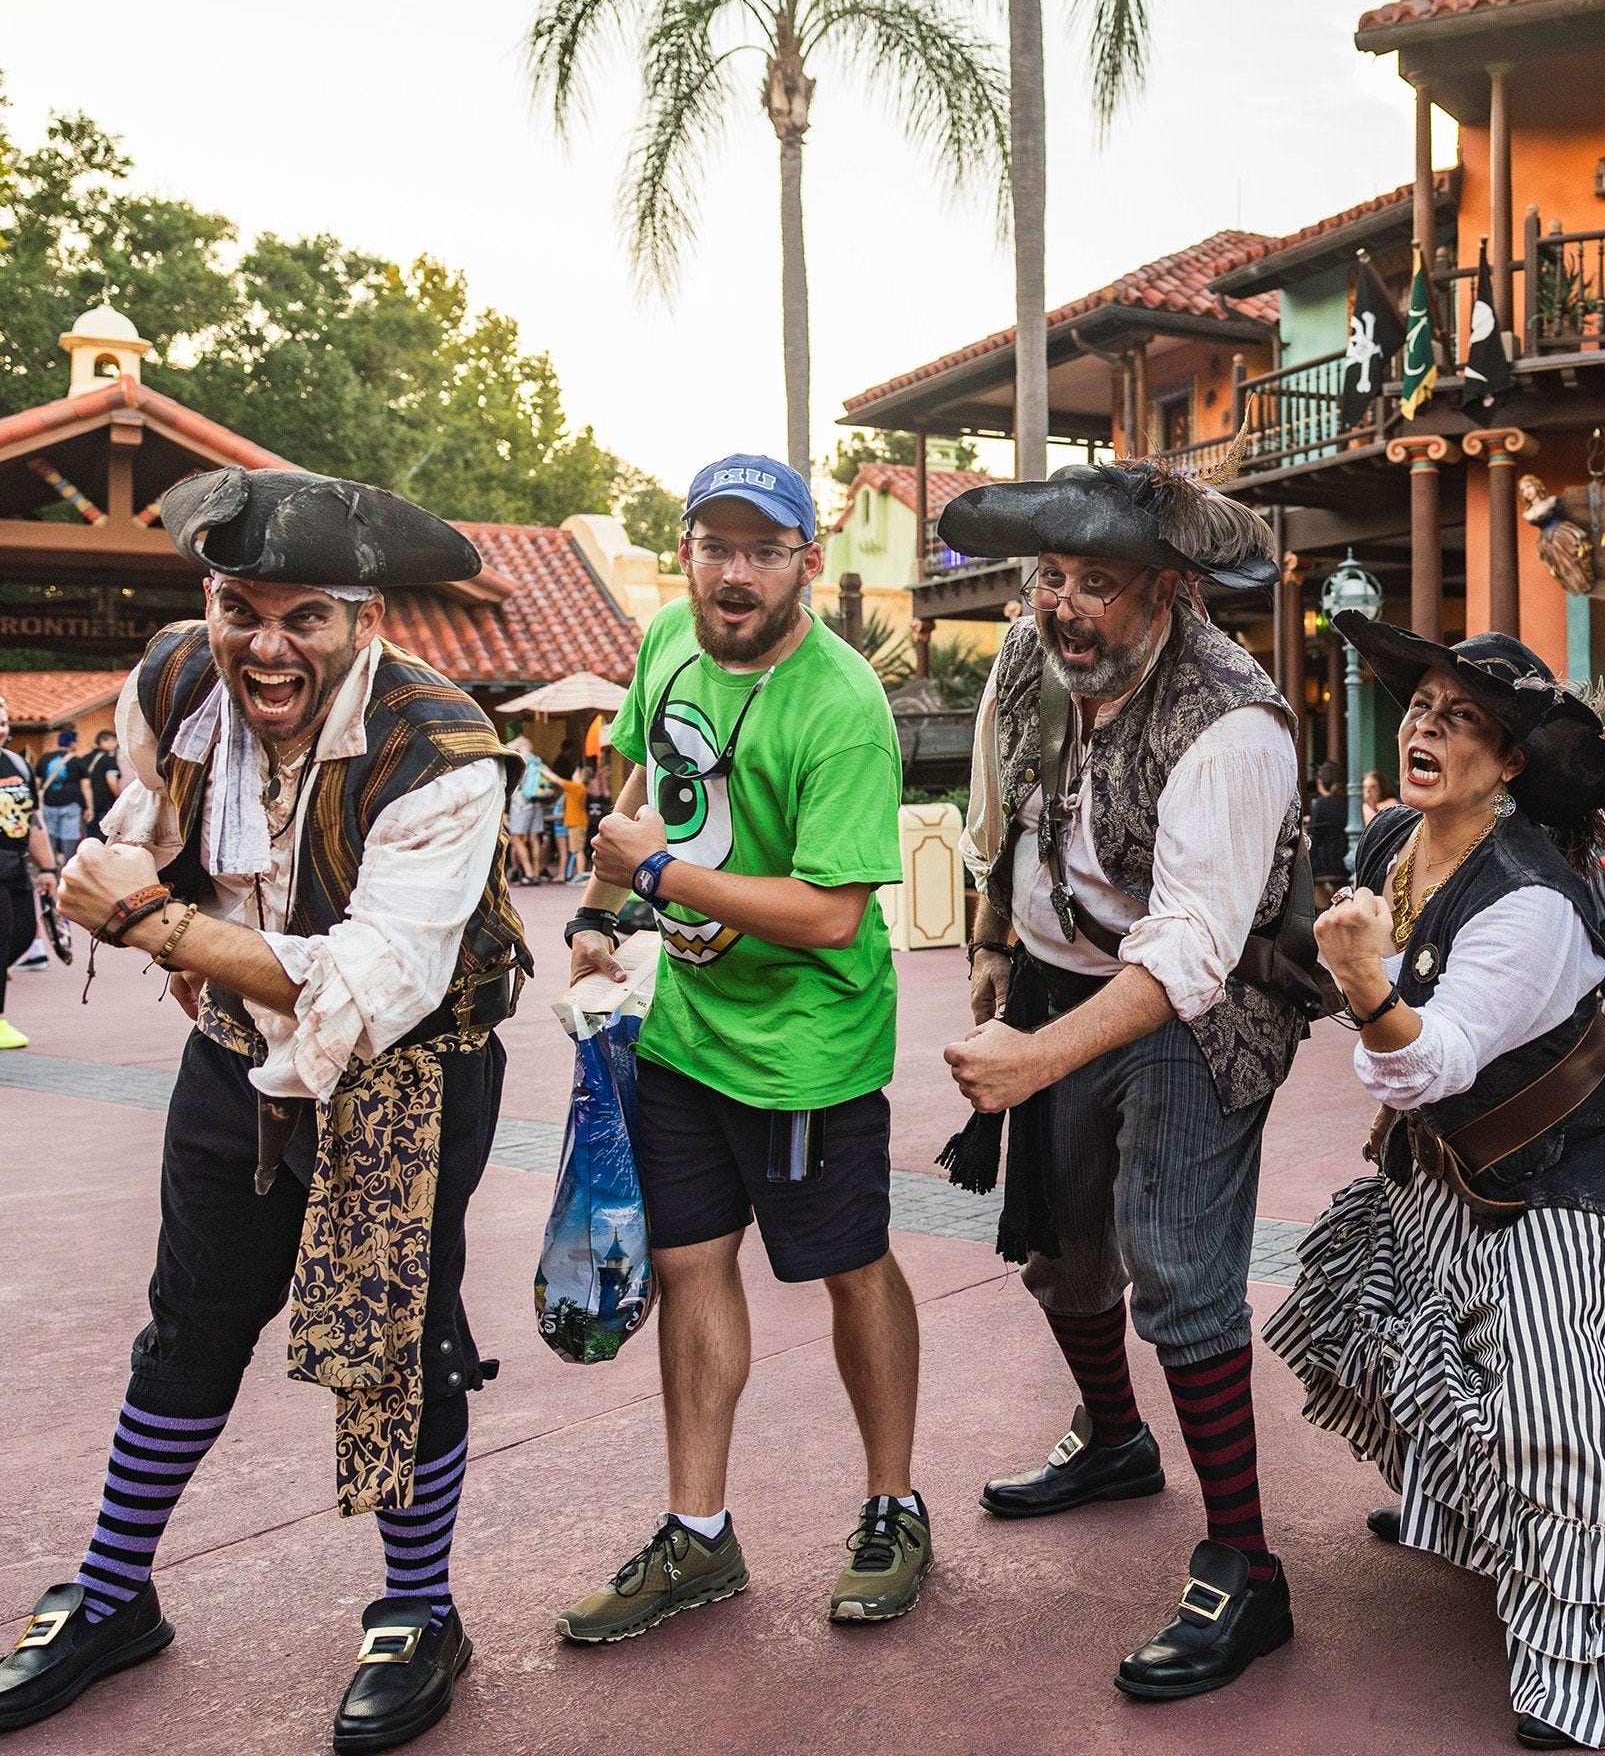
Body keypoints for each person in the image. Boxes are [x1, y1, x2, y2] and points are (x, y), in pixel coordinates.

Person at [0, 466, 529, 1750]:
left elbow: (370, 983)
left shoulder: (445, 753)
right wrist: (150, 895)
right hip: (238, 1049)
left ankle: (420, 1609)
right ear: (212, 603)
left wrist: (152, 922)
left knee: (397, 1343)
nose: (268, 645)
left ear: (364, 621)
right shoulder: (180, 674)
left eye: (307, 618)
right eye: (245, 608)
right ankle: (114, 1595)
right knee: (192, 1315)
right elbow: (147, 808)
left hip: (406, 1062)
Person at [1265, 615, 1605, 1751]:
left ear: (1509, 762)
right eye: (1423, 707)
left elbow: (1430, 1063)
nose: (1428, 726)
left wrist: (1362, 975)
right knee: (1411, 1346)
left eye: (1462, 719)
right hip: (1445, 1172)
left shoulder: (1532, 900)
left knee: (1558, 1414)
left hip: (1569, 1170)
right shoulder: (1391, 839)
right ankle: (1482, 1530)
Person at [936, 458, 1307, 1702]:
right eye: (1050, 577)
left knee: (1177, 1266)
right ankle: (1111, 1440)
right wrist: (996, 949)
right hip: (1057, 975)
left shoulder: (1234, 721)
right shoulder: (1031, 662)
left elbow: (1195, 949)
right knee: (1058, 1246)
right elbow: (1006, 807)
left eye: (1097, 583)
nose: (1063, 606)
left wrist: (1035, 1060)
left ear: (1168, 590)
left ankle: (1248, 1569)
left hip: (1206, 1003)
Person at [551, 452, 923, 1642]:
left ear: (808, 563)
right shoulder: (665, 639)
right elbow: (632, 781)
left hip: (808, 1046)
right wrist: (606, 915)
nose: (735, 571)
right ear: (687, 556)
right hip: (687, 1028)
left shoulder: (841, 706)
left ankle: (893, 1505)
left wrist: (654, 874)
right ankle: (699, 1535)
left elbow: (830, 913)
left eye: (764, 549)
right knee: (687, 1264)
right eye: (715, 546)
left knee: (847, 1267)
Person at [0, 690, 63, 1036]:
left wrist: (49, 869)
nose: (0, 729)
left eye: (3, 722)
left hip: (15, 864)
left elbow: (33, 818)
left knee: (23, 935)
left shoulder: (17, 764)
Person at [503, 736, 547, 885]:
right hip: (537, 802)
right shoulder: (537, 761)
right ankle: (536, 872)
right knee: (535, 838)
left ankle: (528, 873)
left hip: (521, 803)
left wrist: (514, 745)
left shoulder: (521, 759)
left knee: (515, 838)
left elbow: (505, 749)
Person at [39, 728, 87, 860]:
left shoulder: (44, 759)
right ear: (72, 743)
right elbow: (85, 786)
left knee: (50, 837)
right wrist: (89, 807)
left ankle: (51, 866)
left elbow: (37, 783)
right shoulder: (77, 761)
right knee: (70, 838)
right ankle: (67, 868)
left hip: (49, 804)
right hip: (71, 805)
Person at [1305, 759, 1349, 900]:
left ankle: (1322, 911)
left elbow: (1314, 831)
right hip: (1343, 858)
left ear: (1321, 783)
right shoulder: (1347, 801)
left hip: (1322, 863)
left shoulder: (1320, 803)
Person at [77, 727, 121, 842]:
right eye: (113, 741)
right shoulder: (109, 758)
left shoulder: (84, 758)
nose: (115, 744)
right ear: (103, 741)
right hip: (103, 803)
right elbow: (111, 780)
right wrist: (120, 796)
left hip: (85, 803)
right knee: (103, 836)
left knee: (89, 835)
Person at [558, 759, 592, 883]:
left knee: (578, 850)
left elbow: (557, 780)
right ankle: (580, 874)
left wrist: (542, 769)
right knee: (578, 850)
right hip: (578, 822)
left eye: (576, 773)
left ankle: (581, 875)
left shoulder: (576, 787)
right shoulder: (580, 787)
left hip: (577, 822)